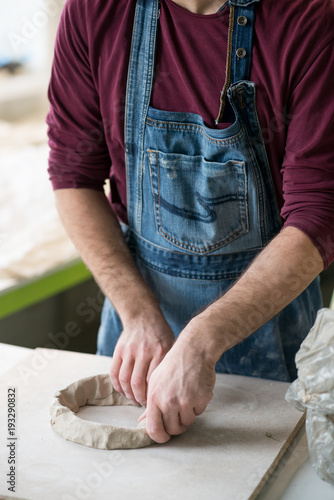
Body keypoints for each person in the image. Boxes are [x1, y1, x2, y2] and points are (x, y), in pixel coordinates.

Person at [46, 0, 334, 444]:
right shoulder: (94, 10)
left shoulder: (310, 18)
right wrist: (139, 315)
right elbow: (73, 177)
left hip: (274, 339)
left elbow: (318, 213)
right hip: (136, 338)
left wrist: (202, 339)